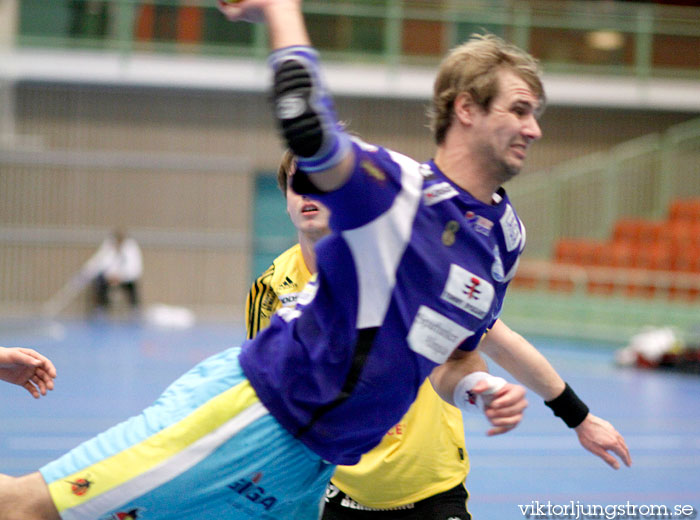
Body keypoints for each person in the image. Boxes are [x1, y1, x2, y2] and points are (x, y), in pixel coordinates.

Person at [0, 2, 624, 519]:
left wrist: (479, 386)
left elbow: (446, 356)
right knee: (28, 506)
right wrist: (280, 10)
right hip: (252, 413)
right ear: (466, 109)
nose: (534, 128)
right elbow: (307, 124)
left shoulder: (503, 238)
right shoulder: (396, 189)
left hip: (312, 463)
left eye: (536, 113)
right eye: (519, 109)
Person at [249, 152, 631, 520]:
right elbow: (269, 396)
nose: (310, 193)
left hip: (432, 492)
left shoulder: (406, 266)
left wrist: (578, 416)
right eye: (299, 184)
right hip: (339, 494)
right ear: (285, 199)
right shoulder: (271, 290)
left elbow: (499, 341)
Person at [82, 228, 143, 313]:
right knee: (100, 282)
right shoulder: (108, 247)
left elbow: (134, 270)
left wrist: (121, 276)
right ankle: (101, 308)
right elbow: (99, 262)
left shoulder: (132, 250)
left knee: (132, 286)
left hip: (126, 279)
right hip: (110, 277)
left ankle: (135, 309)